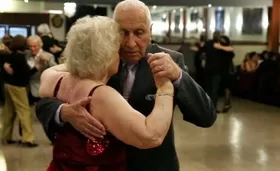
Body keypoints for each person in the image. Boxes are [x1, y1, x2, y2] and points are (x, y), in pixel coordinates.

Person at [36, 0, 216, 170]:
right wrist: (64, 112)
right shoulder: (98, 60)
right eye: (123, 33)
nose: (130, 43)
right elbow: (45, 102)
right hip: (103, 164)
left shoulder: (170, 61)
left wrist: (178, 76)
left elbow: (206, 116)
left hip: (152, 165)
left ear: (150, 31)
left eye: (139, 32)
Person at [40, 15, 175, 171]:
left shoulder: (53, 78)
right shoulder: (102, 95)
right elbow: (151, 136)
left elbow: (55, 70)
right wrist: (166, 88)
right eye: (116, 51)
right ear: (106, 56)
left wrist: (83, 57)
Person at [1, 35, 38, 147]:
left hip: (8, 85)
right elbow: (26, 74)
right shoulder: (20, 57)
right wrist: (37, 67)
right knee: (25, 111)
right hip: (18, 86)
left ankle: (6, 137)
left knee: (9, 111)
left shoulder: (9, 55)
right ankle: (28, 138)